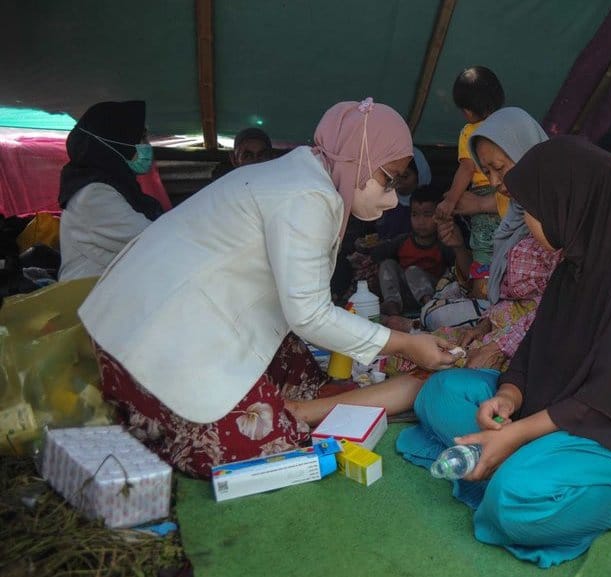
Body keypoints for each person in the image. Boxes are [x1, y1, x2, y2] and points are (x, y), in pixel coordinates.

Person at [396, 137, 611, 568]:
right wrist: (510, 397)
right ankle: (521, 459)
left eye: (533, 211)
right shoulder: (576, 260)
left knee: (512, 502)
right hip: (556, 408)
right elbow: (535, 348)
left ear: (570, 204)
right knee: (441, 393)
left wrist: (514, 434)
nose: (528, 222)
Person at [78, 98, 455, 478]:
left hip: (158, 318)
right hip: (154, 339)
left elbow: (301, 304)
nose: (392, 198)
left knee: (305, 383)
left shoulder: (304, 177)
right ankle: (262, 412)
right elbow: (309, 314)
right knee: (265, 444)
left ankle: (292, 406)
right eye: (387, 179)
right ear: (359, 156)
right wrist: (405, 342)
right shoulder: (308, 194)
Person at [415, 107, 553, 336]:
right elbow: (489, 288)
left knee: (435, 318)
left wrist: (492, 336)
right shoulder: (514, 214)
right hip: (503, 318)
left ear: (525, 153)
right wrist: (459, 246)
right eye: (486, 172)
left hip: (531, 326)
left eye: (499, 168)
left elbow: (540, 304)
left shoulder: (550, 212)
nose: (495, 181)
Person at [58, 101, 163, 280]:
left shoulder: (116, 186)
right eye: (141, 138)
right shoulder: (93, 195)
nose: (147, 145)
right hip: (88, 298)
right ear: (119, 142)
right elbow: (150, 240)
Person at [435, 66, 506, 299]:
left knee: (485, 250)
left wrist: (451, 200)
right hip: (509, 196)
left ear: (466, 110)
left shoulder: (469, 132)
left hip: (484, 195)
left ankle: (483, 294)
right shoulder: (510, 124)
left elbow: (466, 168)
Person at [368, 186, 456, 316]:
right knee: (387, 264)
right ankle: (392, 306)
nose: (420, 222)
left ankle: (429, 308)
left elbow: (454, 270)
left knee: (412, 271)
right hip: (403, 296)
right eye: (415, 215)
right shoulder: (402, 241)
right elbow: (377, 255)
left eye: (427, 215)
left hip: (434, 294)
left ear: (439, 216)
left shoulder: (443, 244)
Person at [374, 146, 432, 242]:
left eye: (405, 176)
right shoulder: (385, 201)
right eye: (394, 175)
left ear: (419, 176)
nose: (397, 181)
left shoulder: (428, 206)